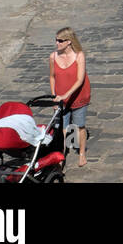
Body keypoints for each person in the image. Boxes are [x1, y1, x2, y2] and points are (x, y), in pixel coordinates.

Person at [49, 27, 90, 168]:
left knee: (79, 126)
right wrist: (54, 96)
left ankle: (82, 153)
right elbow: (52, 77)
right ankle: (62, 155)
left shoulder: (79, 55)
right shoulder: (53, 56)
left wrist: (66, 94)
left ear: (68, 42)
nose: (57, 43)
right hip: (60, 99)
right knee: (62, 128)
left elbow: (80, 80)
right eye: (56, 40)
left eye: (60, 41)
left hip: (79, 96)